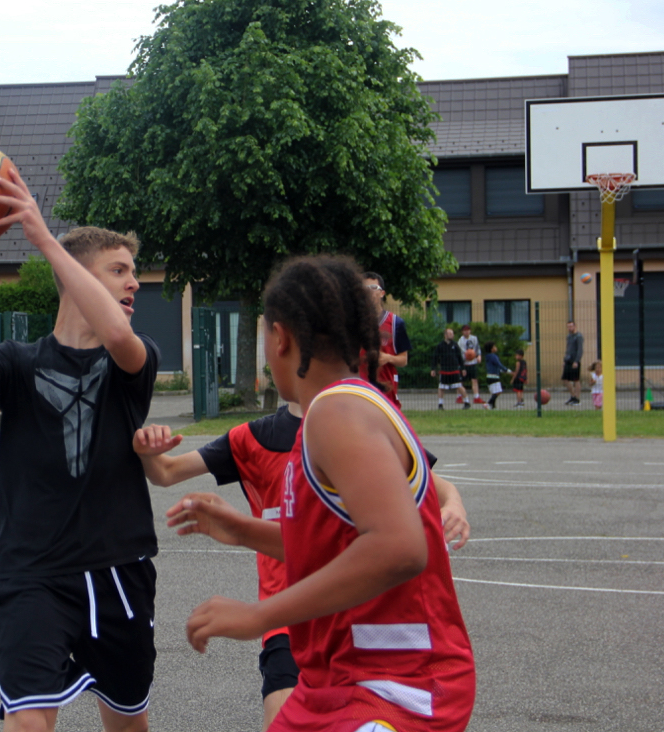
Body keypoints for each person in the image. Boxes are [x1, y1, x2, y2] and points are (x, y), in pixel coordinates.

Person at [172, 255, 475, 732]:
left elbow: (400, 547)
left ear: (281, 337)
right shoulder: (330, 414)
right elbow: (334, 545)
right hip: (335, 681)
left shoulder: (338, 414)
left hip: (395, 687)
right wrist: (245, 530)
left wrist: (258, 616)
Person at [0, 167, 159, 732]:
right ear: (75, 276)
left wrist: (44, 238)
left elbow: (118, 337)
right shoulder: (17, 362)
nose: (134, 283)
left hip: (118, 568)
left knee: (127, 724)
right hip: (30, 573)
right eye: (119, 270)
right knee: (27, 722)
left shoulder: (134, 358)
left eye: (133, 272)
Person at [134, 401, 470, 731]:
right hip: (287, 621)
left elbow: (431, 492)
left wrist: (453, 503)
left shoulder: (355, 421)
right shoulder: (255, 438)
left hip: (350, 620)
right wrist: (149, 451)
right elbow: (166, 471)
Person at [361, 272, 410, 409]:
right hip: (360, 385)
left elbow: (404, 360)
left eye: (373, 288)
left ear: (382, 293)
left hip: (385, 386)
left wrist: (388, 358)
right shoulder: (353, 324)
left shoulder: (395, 323)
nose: (368, 292)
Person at [431, 327, 468, 410]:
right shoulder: (440, 345)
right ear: (445, 335)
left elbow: (459, 357)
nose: (452, 335)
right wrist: (433, 369)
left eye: (452, 333)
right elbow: (435, 358)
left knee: (459, 386)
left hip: (454, 369)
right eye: (450, 334)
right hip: (444, 369)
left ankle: (467, 402)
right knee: (441, 387)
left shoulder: (455, 345)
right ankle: (440, 404)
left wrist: (463, 368)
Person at [458, 324, 483, 405]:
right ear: (462, 332)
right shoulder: (460, 341)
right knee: (460, 381)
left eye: (468, 330)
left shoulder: (474, 338)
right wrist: (468, 356)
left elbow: (477, 348)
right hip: (464, 364)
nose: (466, 332)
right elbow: (462, 352)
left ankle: (476, 397)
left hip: (473, 363)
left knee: (474, 380)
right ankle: (459, 397)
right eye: (465, 330)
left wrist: (478, 356)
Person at [482, 342, 512, 409]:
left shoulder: (488, 356)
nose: (496, 347)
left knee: (495, 392)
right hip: (494, 377)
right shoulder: (493, 356)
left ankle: (493, 406)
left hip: (489, 376)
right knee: (498, 391)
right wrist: (507, 370)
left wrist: (501, 371)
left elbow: (495, 367)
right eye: (494, 346)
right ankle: (488, 403)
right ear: (491, 349)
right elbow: (499, 364)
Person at [563, 321, 584, 405]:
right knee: (565, 379)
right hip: (568, 360)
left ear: (575, 326)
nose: (570, 328)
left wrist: (576, 361)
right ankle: (573, 396)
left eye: (571, 326)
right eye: (568, 327)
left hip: (574, 360)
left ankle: (577, 398)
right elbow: (568, 348)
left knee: (576, 379)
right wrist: (564, 360)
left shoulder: (578, 336)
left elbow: (580, 350)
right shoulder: (568, 336)